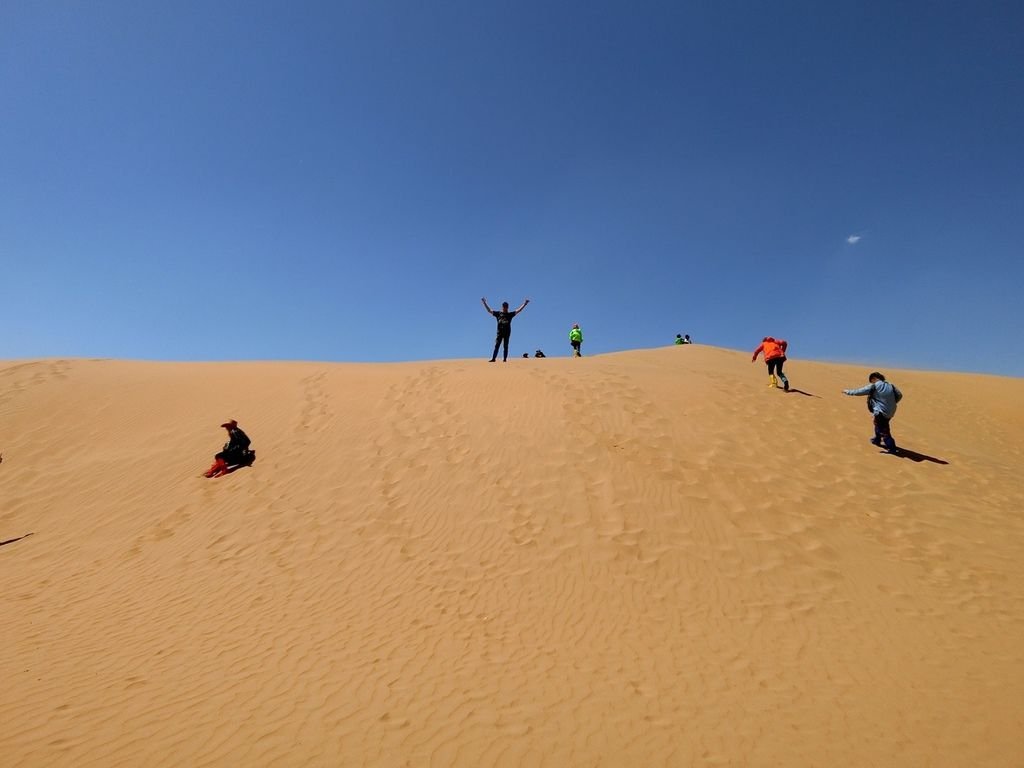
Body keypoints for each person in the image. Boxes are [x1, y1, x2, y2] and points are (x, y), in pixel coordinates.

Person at [843, 372, 903, 452]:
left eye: (871, 381)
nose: (871, 382)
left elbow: (859, 391)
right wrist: (891, 403)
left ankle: (892, 448)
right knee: (877, 423)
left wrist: (847, 391)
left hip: (881, 411)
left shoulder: (874, 386)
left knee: (884, 430)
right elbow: (899, 395)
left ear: (873, 378)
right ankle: (877, 440)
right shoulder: (890, 385)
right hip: (891, 410)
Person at [481, 297, 529, 362]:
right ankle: (493, 358)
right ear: (502, 307)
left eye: (506, 306)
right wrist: (484, 303)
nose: (505, 307)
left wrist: (524, 304)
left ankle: (504, 359)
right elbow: (489, 310)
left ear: (508, 307)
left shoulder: (510, 314)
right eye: (504, 306)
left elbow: (518, 310)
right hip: (499, 333)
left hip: (507, 333)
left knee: (505, 346)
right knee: (497, 345)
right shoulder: (498, 314)